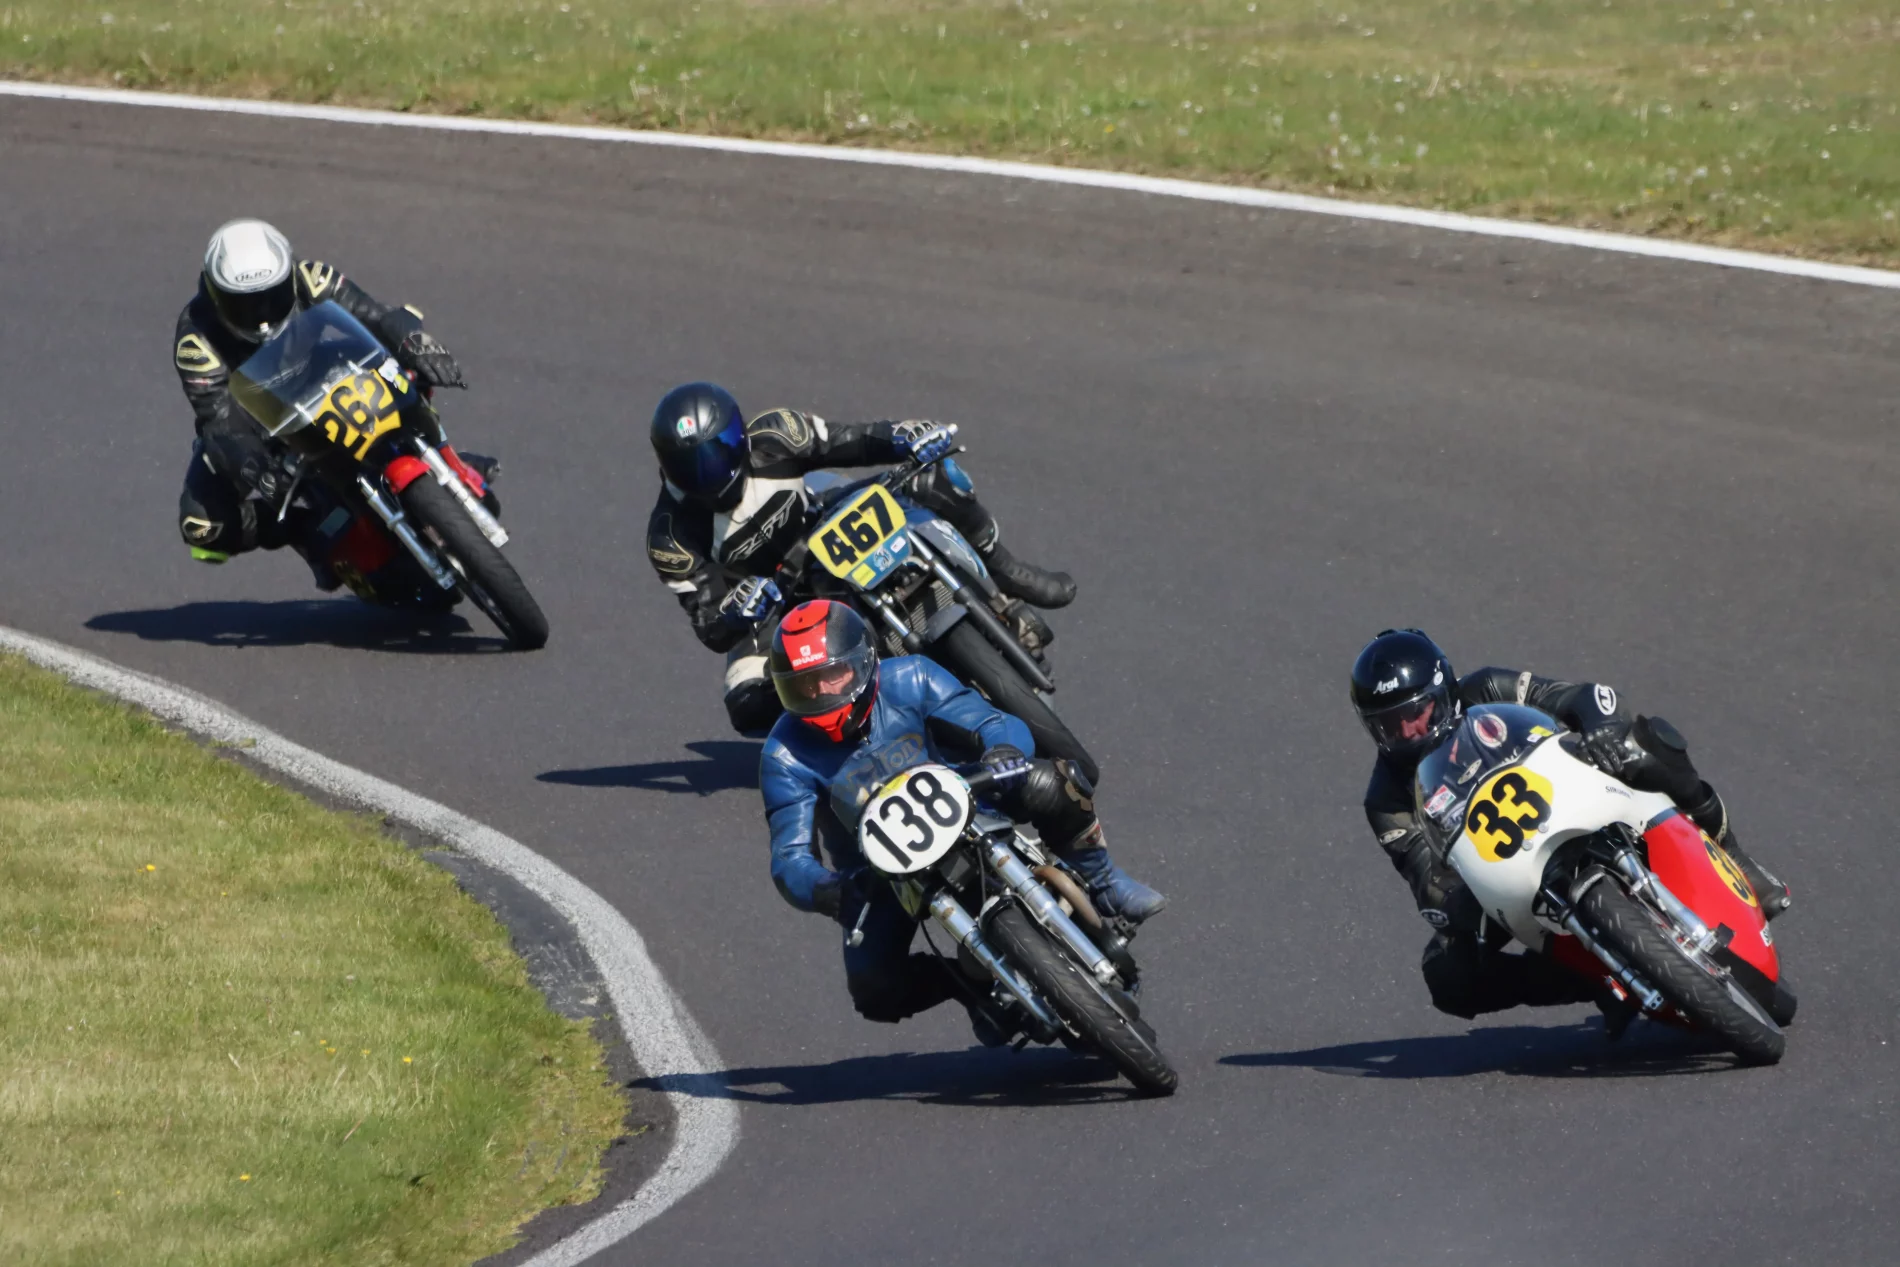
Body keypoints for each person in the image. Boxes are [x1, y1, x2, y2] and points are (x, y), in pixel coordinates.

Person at [759, 599, 1163, 1042]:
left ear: (865, 660)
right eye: (804, 687)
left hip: (969, 799)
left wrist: (1003, 750)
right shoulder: (784, 755)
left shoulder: (911, 676)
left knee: (1052, 783)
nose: (821, 696)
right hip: (880, 872)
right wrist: (828, 891)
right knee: (873, 987)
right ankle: (970, 986)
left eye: (830, 676)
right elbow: (790, 858)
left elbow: (991, 720)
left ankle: (1105, 883)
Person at [1348, 627, 1791, 1026]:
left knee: (1645, 743)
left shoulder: (1484, 687)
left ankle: (1732, 851)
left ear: (1442, 693)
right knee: (1447, 976)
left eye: (1416, 712)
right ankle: (1592, 978)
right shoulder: (1385, 799)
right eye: (1388, 724)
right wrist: (1453, 905)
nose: (1407, 731)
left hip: (1567, 791)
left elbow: (1574, 696)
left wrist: (1599, 726)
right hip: (1494, 870)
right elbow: (1425, 876)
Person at [645, 381, 1076, 733]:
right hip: (774, 601)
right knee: (748, 705)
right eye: (692, 464)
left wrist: (903, 437)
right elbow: (708, 622)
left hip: (825, 524)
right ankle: (846, 738)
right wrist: (735, 610)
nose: (708, 471)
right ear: (666, 466)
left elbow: (849, 441)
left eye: (717, 451)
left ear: (738, 435)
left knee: (934, 477)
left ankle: (1005, 579)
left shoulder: (776, 435)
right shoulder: (671, 537)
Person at [173, 218, 482, 571]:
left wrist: (417, 343)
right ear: (214, 296)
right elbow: (219, 421)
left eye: (271, 299)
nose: (261, 319)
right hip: (258, 418)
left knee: (404, 363)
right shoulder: (196, 340)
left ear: (287, 278)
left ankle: (444, 455)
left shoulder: (309, 277)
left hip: (321, 369)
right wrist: (252, 466)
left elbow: (376, 315)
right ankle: (310, 531)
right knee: (202, 528)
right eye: (243, 305)